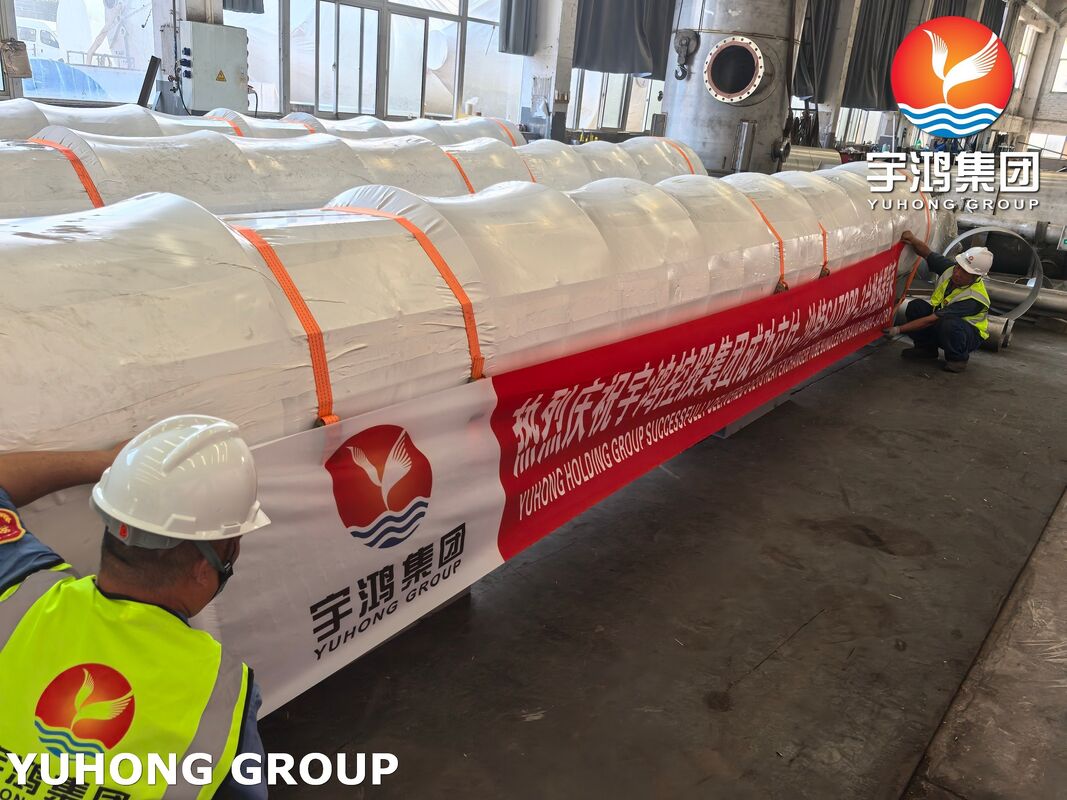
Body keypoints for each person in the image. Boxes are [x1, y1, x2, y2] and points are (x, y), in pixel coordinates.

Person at [0, 415, 270, 798]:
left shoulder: (21, 589)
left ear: (112, 522)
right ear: (204, 566)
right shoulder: (223, 694)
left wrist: (106, 464)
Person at [884, 232, 992, 373]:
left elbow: (931, 320)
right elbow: (927, 253)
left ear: (976, 276)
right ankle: (926, 349)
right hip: (943, 323)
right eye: (958, 266)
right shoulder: (950, 270)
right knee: (916, 306)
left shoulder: (974, 298)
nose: (957, 273)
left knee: (949, 324)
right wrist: (912, 239)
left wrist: (898, 329)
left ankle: (957, 359)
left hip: (966, 334)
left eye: (964, 272)